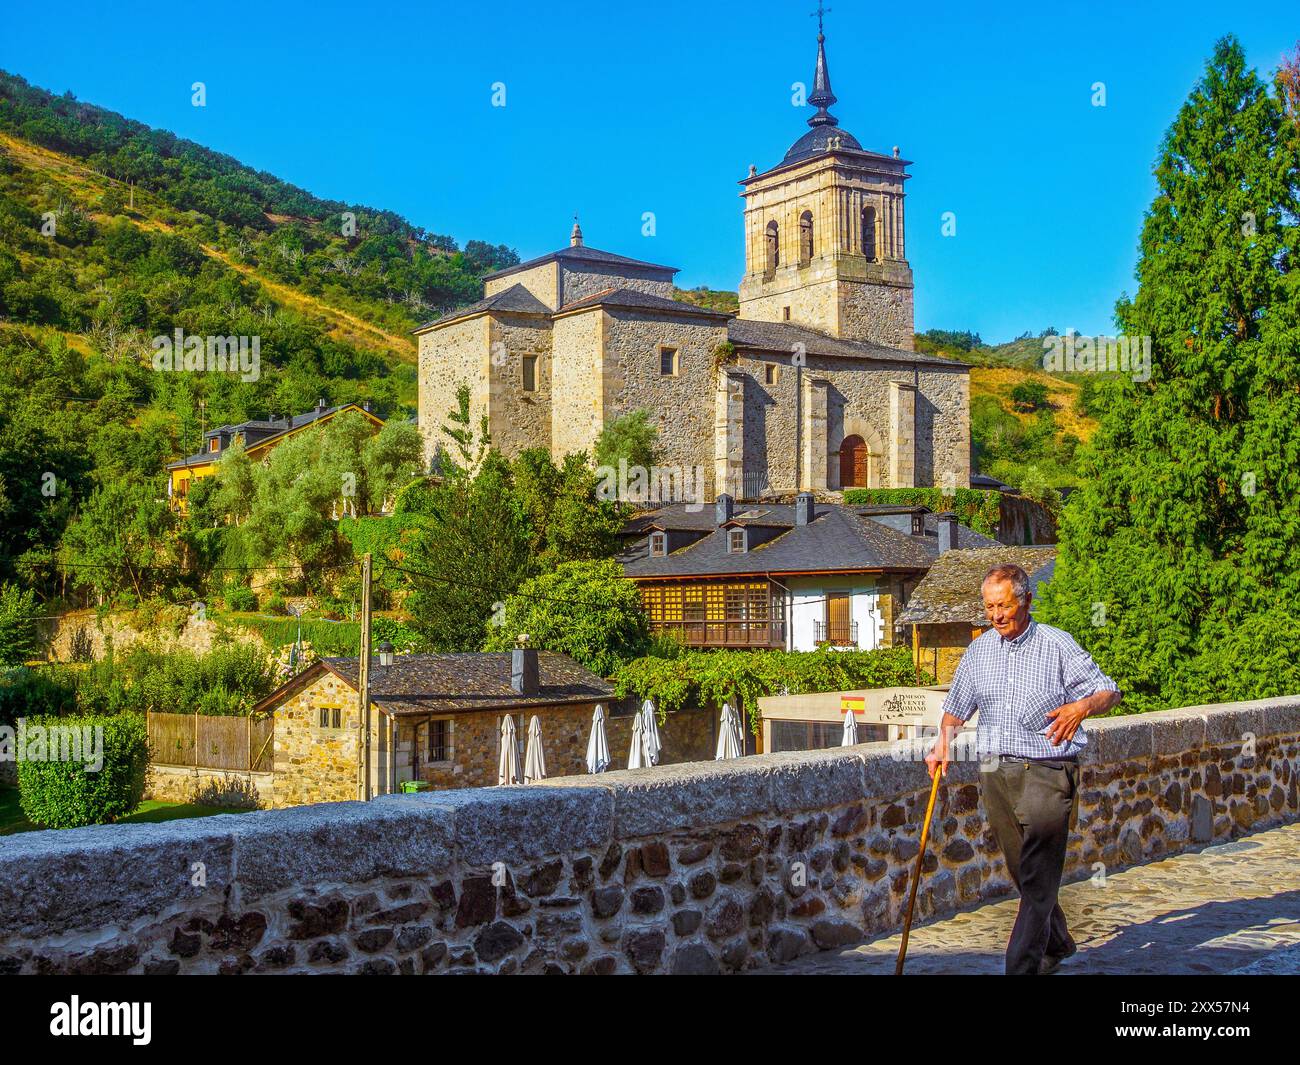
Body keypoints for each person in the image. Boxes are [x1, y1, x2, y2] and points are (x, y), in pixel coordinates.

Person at [924, 563, 1122, 975]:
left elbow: (1108, 690)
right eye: (990, 607)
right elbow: (956, 709)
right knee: (1024, 870)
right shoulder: (979, 651)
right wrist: (943, 741)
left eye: (1004, 606)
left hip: (1049, 771)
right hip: (997, 775)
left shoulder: (1057, 645)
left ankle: (1022, 965)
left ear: (1026, 601)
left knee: (1035, 872)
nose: (996, 615)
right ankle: (1058, 939)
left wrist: (1082, 706)